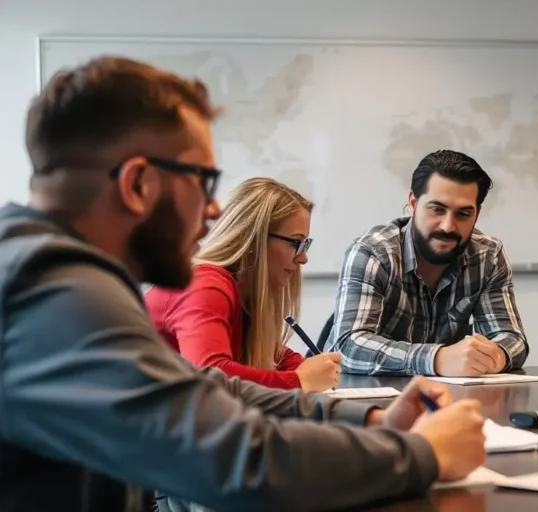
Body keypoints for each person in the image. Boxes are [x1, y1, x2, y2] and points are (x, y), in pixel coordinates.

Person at [0, 56, 486, 512]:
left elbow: (200, 387)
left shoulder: (45, 268)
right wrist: (422, 454)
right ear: (138, 184)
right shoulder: (55, 294)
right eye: (203, 181)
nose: (213, 210)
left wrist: (373, 420)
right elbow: (237, 461)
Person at [330, 150, 529, 376]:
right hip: (367, 400)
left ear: (477, 213)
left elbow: (512, 339)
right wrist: (437, 359)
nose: (448, 226)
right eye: (437, 209)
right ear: (413, 203)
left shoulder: (487, 256)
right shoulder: (372, 252)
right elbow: (348, 347)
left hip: (446, 399)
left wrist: (494, 356)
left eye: (463, 214)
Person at [146, 178, 341, 391]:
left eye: (306, 244)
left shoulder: (240, 290)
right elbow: (211, 374)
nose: (303, 258)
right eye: (296, 243)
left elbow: (273, 354)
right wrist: (298, 380)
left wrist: (306, 367)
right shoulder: (205, 285)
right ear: (252, 240)